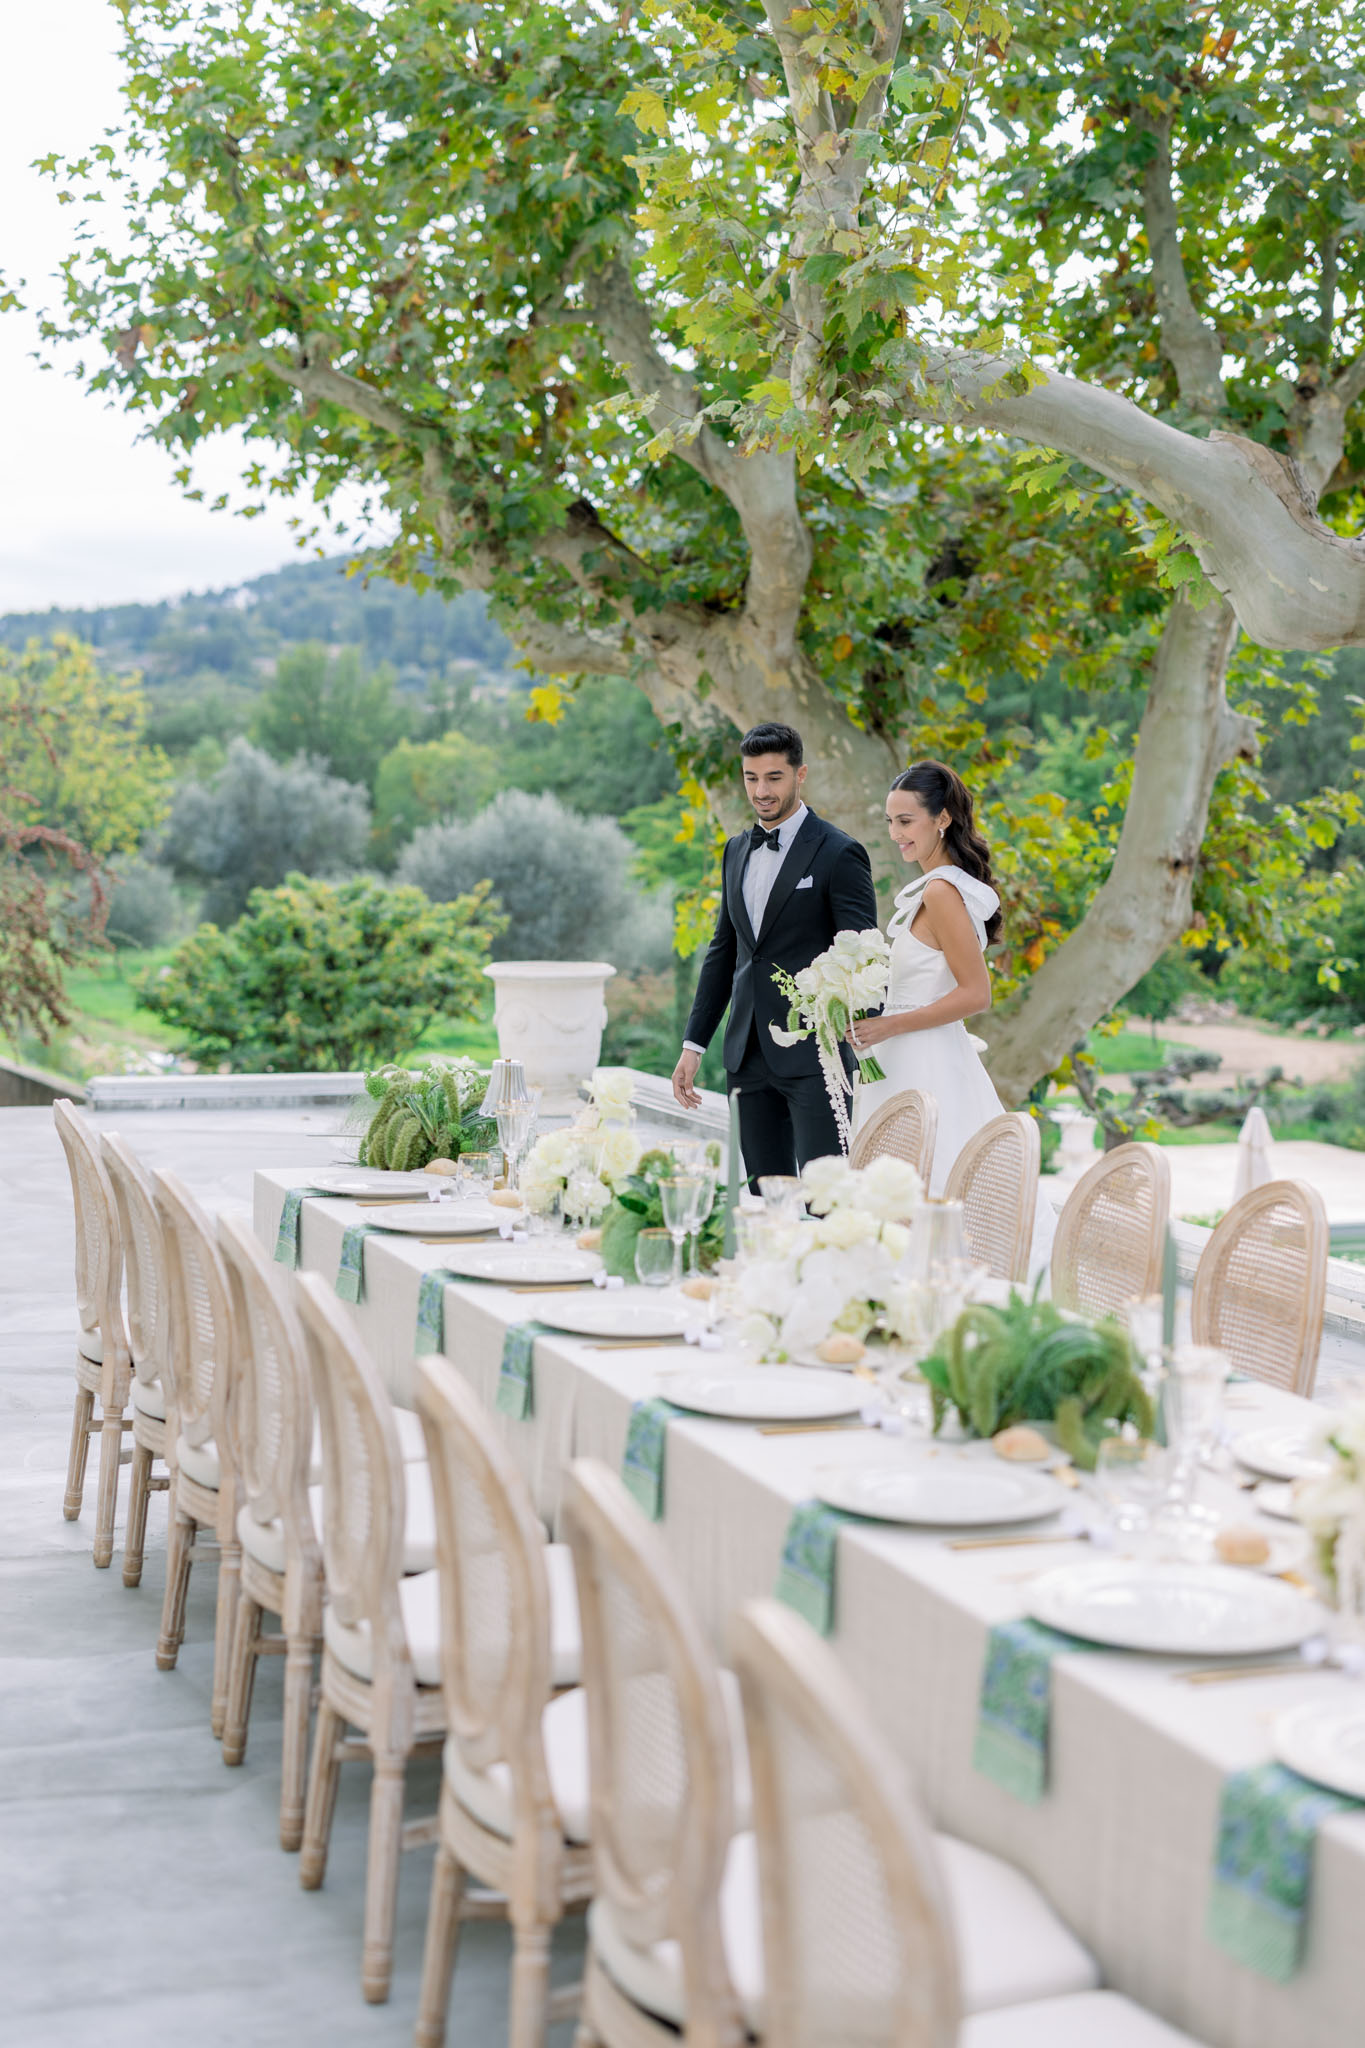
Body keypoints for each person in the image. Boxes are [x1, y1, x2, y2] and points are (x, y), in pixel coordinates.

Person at [847, 762, 1053, 1269]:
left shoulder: (941, 893)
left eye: (907, 821)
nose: (896, 834)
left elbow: (976, 994)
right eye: (891, 822)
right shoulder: (930, 891)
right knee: (896, 1203)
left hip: (925, 1065)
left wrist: (890, 1024)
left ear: (941, 820)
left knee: (931, 1191)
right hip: (895, 1063)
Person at [672, 722, 878, 1184]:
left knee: (825, 1200)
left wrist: (856, 1033)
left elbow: (863, 957)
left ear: (800, 775)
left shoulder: (840, 853)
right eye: (751, 778)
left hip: (816, 1057)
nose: (761, 790)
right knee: (766, 1198)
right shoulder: (735, 851)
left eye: (774, 777)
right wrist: (693, 1044)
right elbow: (725, 953)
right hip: (746, 1057)